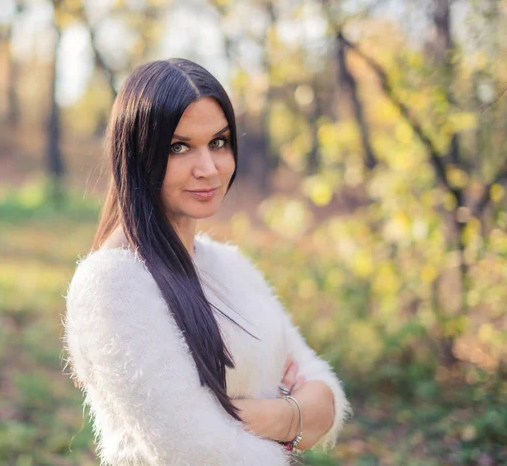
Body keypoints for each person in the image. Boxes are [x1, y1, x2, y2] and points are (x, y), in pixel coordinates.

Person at [62, 58, 352, 466]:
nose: (208, 168)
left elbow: (322, 391)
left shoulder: (230, 266)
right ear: (138, 153)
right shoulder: (113, 282)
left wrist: (269, 417)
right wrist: (294, 419)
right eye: (179, 148)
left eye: (218, 142)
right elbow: (198, 452)